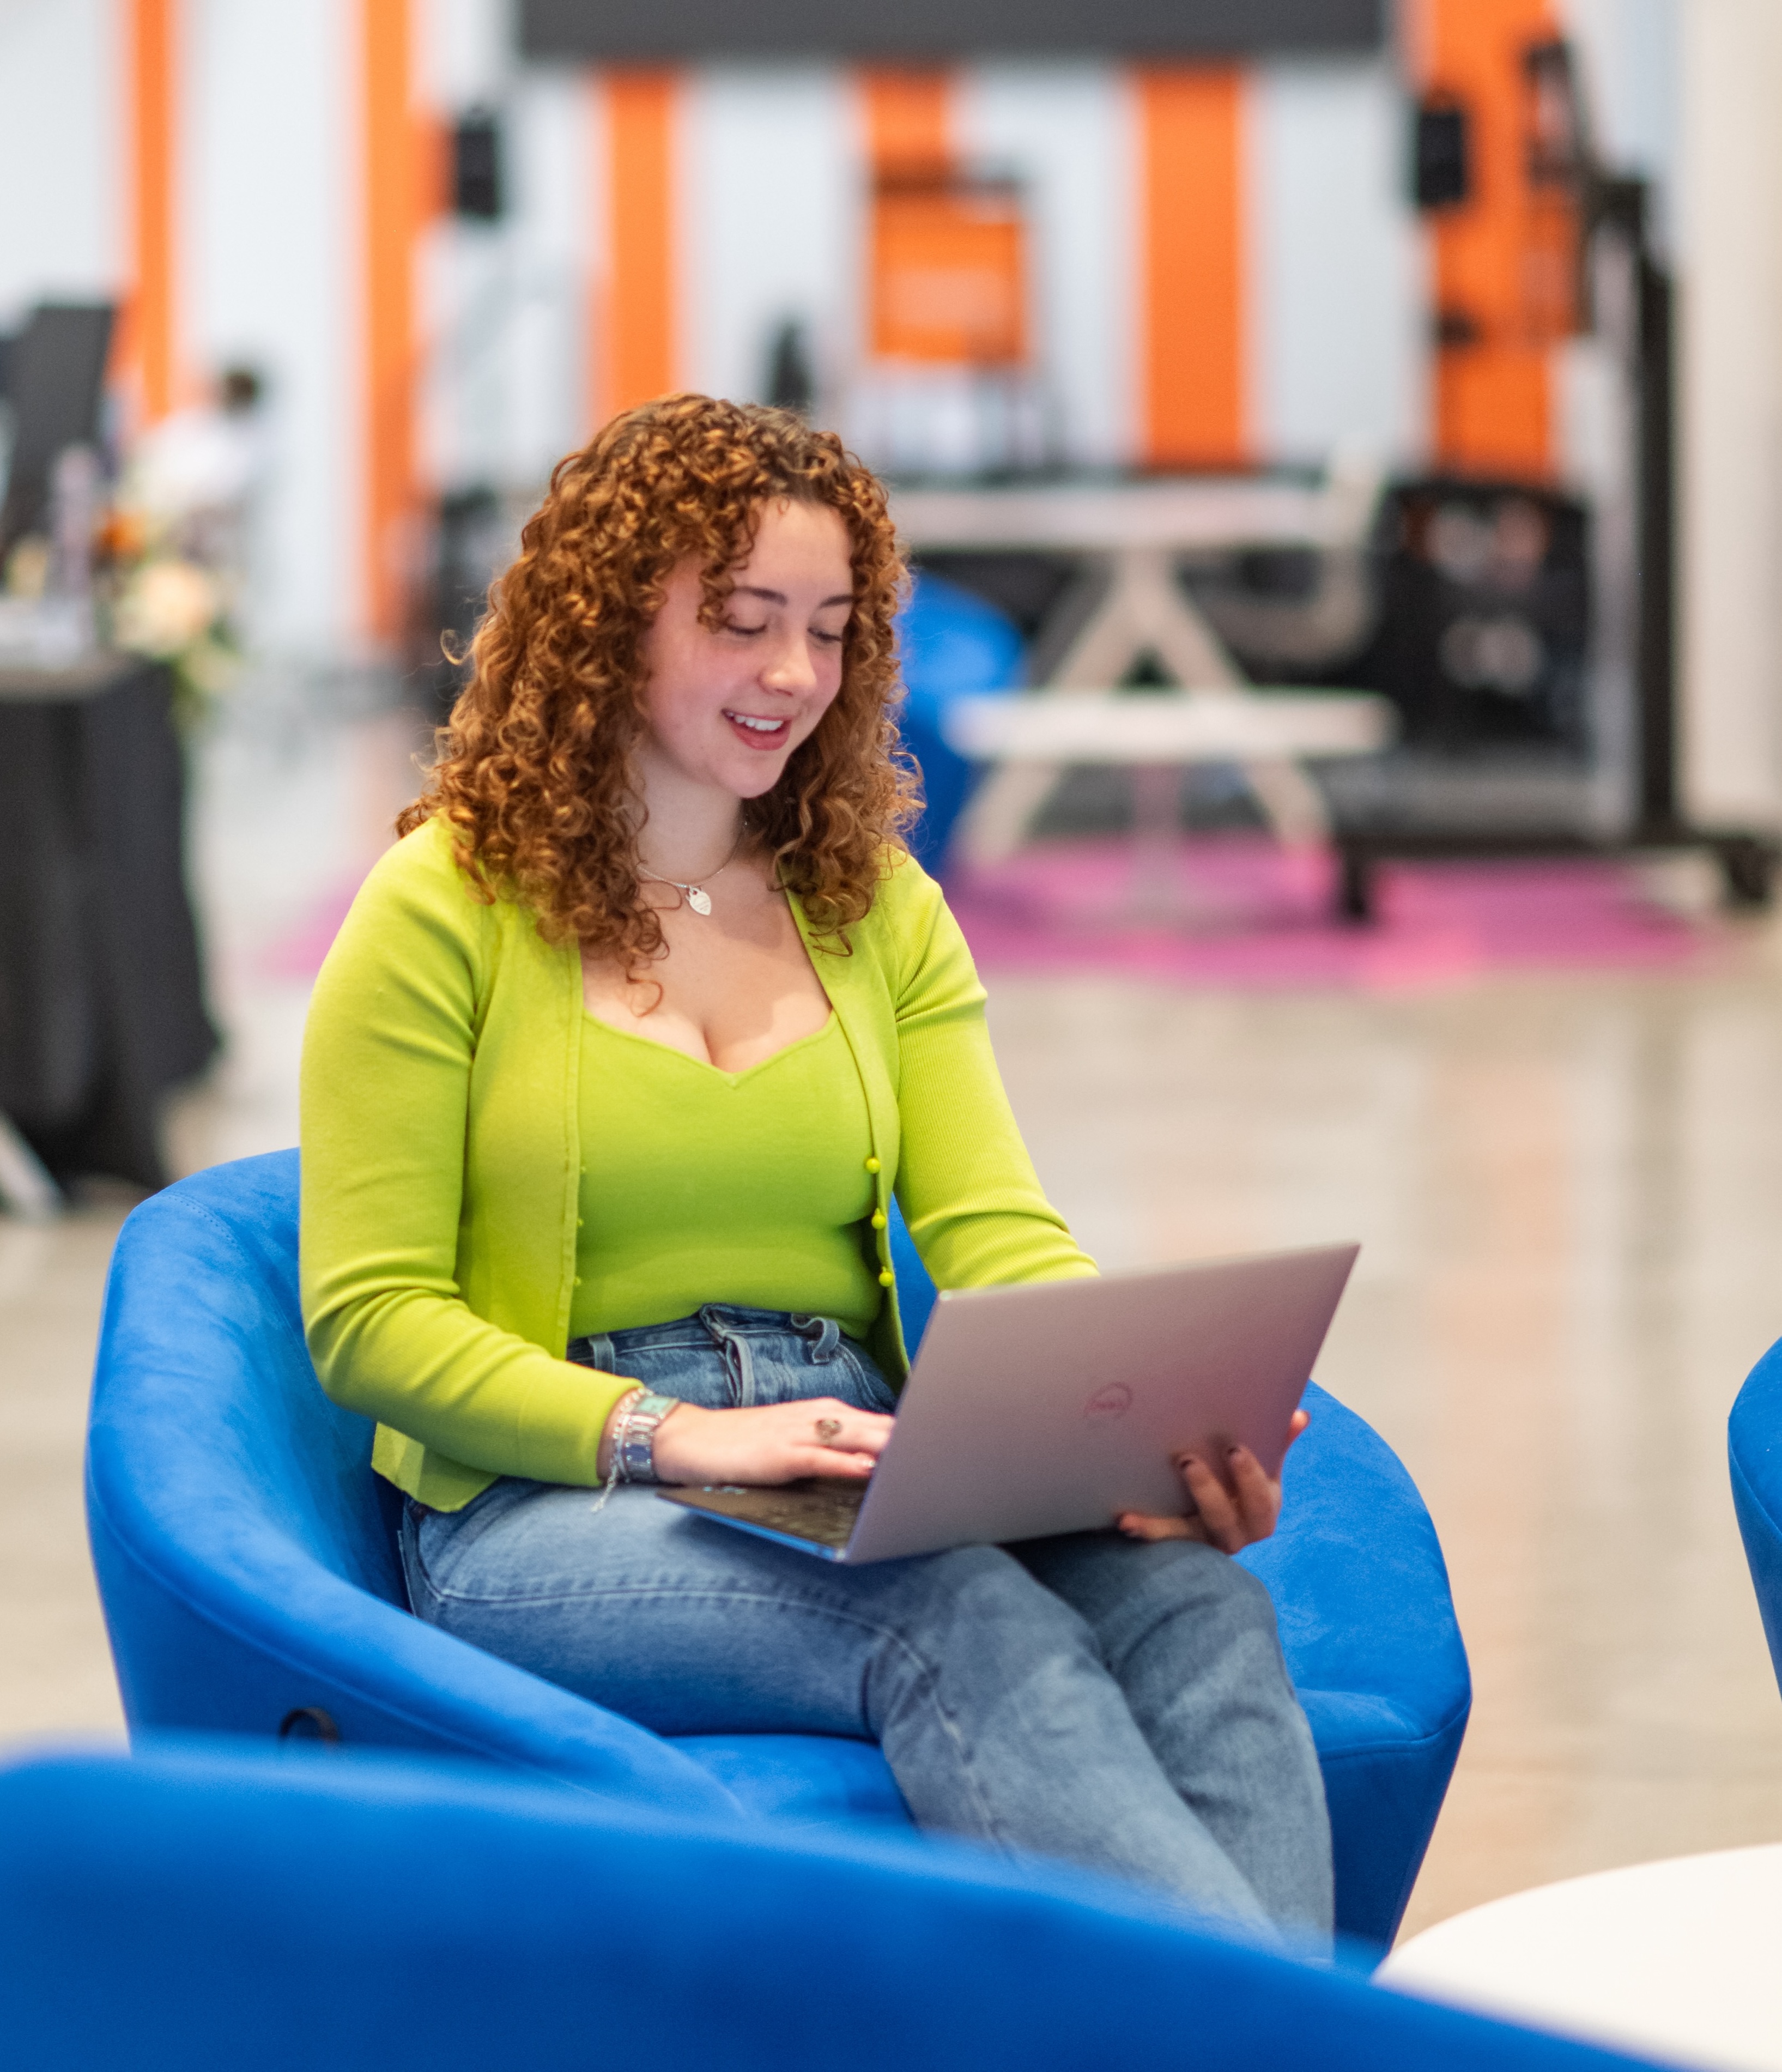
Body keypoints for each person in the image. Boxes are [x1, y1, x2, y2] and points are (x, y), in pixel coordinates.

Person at [300, 395, 1332, 1938]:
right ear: (606, 623)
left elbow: (999, 1232)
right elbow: (367, 1320)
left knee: (1203, 1608)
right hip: (542, 1502)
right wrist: (676, 1437)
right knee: (948, 1613)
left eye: (834, 628)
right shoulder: (437, 906)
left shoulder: (877, 908)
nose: (795, 674)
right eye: (744, 620)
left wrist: (1136, 1423)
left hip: (851, 1449)